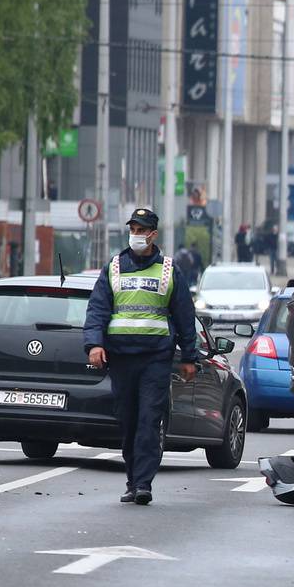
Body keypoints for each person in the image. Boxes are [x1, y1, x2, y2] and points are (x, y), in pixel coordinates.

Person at [83, 207, 202, 506]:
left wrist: (190, 357)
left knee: (149, 421)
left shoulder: (168, 270)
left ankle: (143, 484)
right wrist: (94, 345)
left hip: (155, 359)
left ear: (153, 234)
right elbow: (97, 309)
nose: (136, 235)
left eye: (141, 230)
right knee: (128, 420)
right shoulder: (113, 267)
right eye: (133, 229)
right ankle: (132, 479)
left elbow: (185, 316)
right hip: (121, 358)